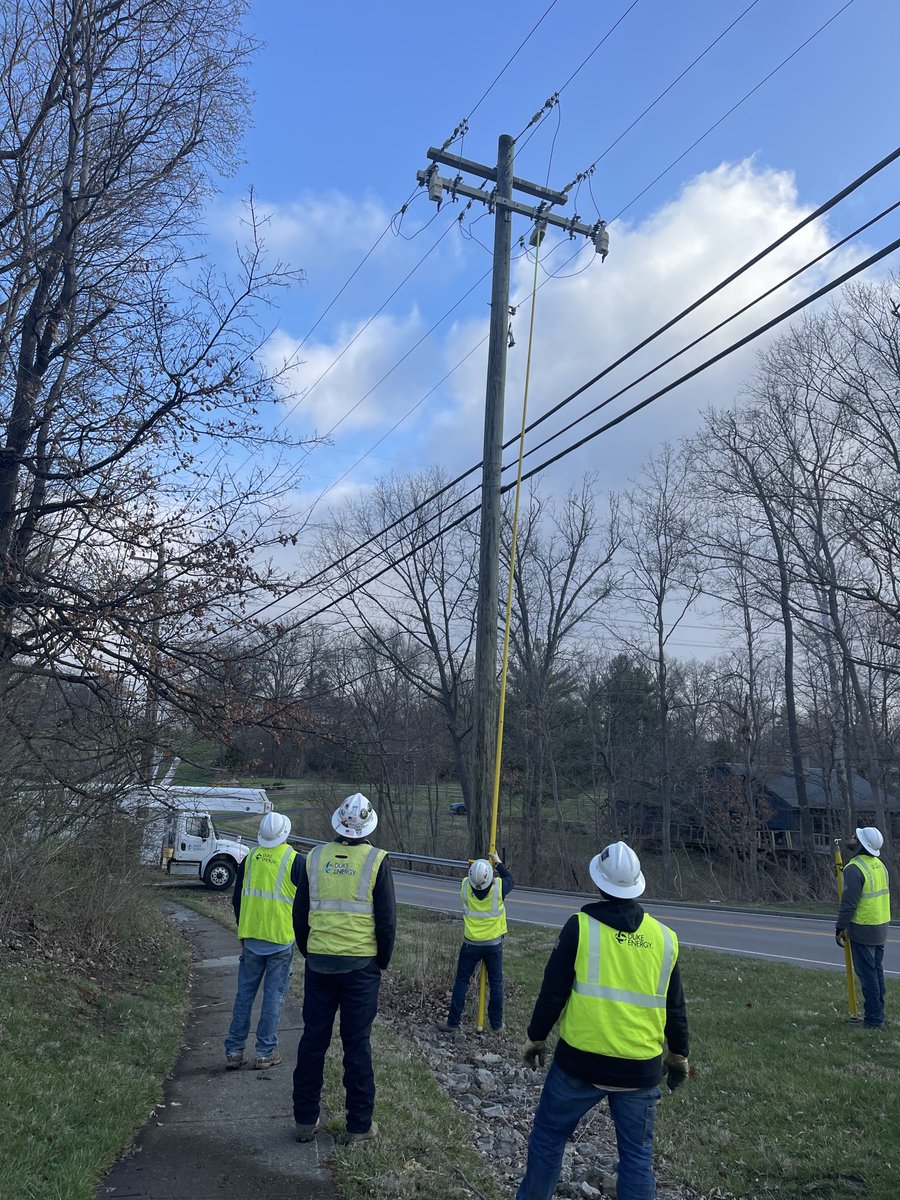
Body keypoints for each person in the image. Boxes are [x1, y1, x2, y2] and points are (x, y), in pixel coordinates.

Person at [516, 841, 689, 1200]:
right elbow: (675, 1008)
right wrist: (679, 1054)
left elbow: (553, 992)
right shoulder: (665, 939)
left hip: (580, 1066)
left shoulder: (580, 927)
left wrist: (536, 1037)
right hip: (640, 1071)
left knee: (549, 1137)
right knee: (637, 1157)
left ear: (599, 883)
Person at [292, 793, 396, 1144]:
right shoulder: (377, 860)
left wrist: (310, 951)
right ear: (369, 826)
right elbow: (387, 922)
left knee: (313, 1041)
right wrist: (380, 961)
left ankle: (305, 1120)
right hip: (360, 968)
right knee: (357, 1044)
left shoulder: (314, 858)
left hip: (320, 964)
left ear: (338, 822)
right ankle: (359, 1125)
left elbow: (300, 913)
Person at [225, 811, 302, 1070]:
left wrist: (244, 928)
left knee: (244, 995)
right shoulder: (295, 861)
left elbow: (237, 900)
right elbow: (305, 907)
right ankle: (264, 1052)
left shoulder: (249, 859)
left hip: (251, 939)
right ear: (285, 834)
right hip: (280, 941)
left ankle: (234, 1050)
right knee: (273, 997)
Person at [438, 852, 514, 1034]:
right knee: (496, 983)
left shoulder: (465, 886)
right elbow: (510, 878)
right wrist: (497, 863)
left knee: (461, 982)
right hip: (493, 944)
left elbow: (471, 880)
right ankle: (496, 1025)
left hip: (471, 944)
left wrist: (476, 871)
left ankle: (453, 1022)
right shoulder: (499, 888)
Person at [835, 826, 891, 1029]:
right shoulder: (879, 865)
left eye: (854, 837)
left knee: (868, 976)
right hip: (880, 927)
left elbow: (848, 903)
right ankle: (879, 1014)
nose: (851, 838)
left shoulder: (854, 868)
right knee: (876, 973)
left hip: (863, 929)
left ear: (861, 845)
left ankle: (874, 1020)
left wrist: (840, 927)